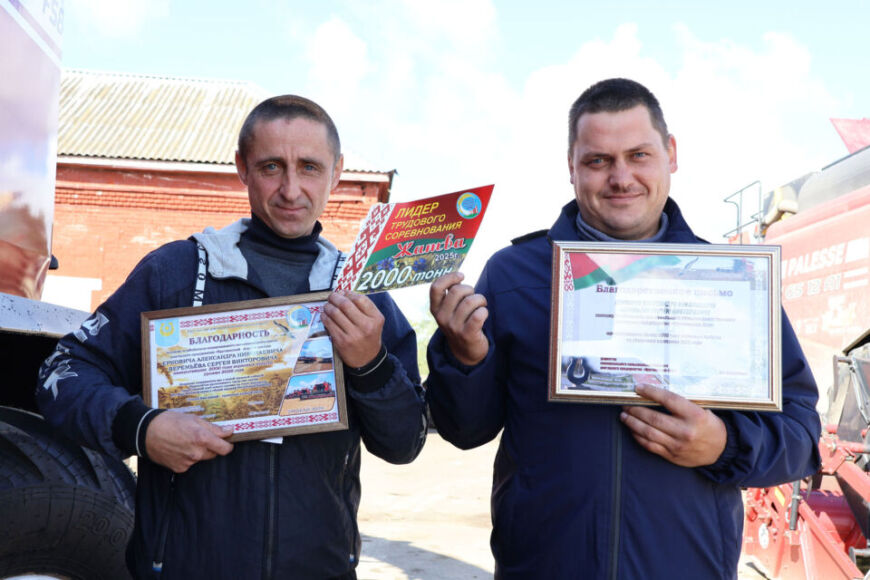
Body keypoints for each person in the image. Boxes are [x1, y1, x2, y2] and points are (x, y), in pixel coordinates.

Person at [426, 78, 820, 579]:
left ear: (670, 154)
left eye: (638, 155)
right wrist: (464, 359)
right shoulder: (513, 276)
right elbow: (463, 431)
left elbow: (801, 434)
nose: (621, 177)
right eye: (598, 161)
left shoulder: (733, 280)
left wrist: (724, 444)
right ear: (571, 166)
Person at [36, 95, 427, 579]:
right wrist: (142, 428)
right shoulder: (175, 273)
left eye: (309, 167)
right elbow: (62, 372)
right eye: (271, 167)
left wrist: (371, 365)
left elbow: (404, 443)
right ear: (242, 167)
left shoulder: (363, 297)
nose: (291, 189)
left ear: (337, 172)